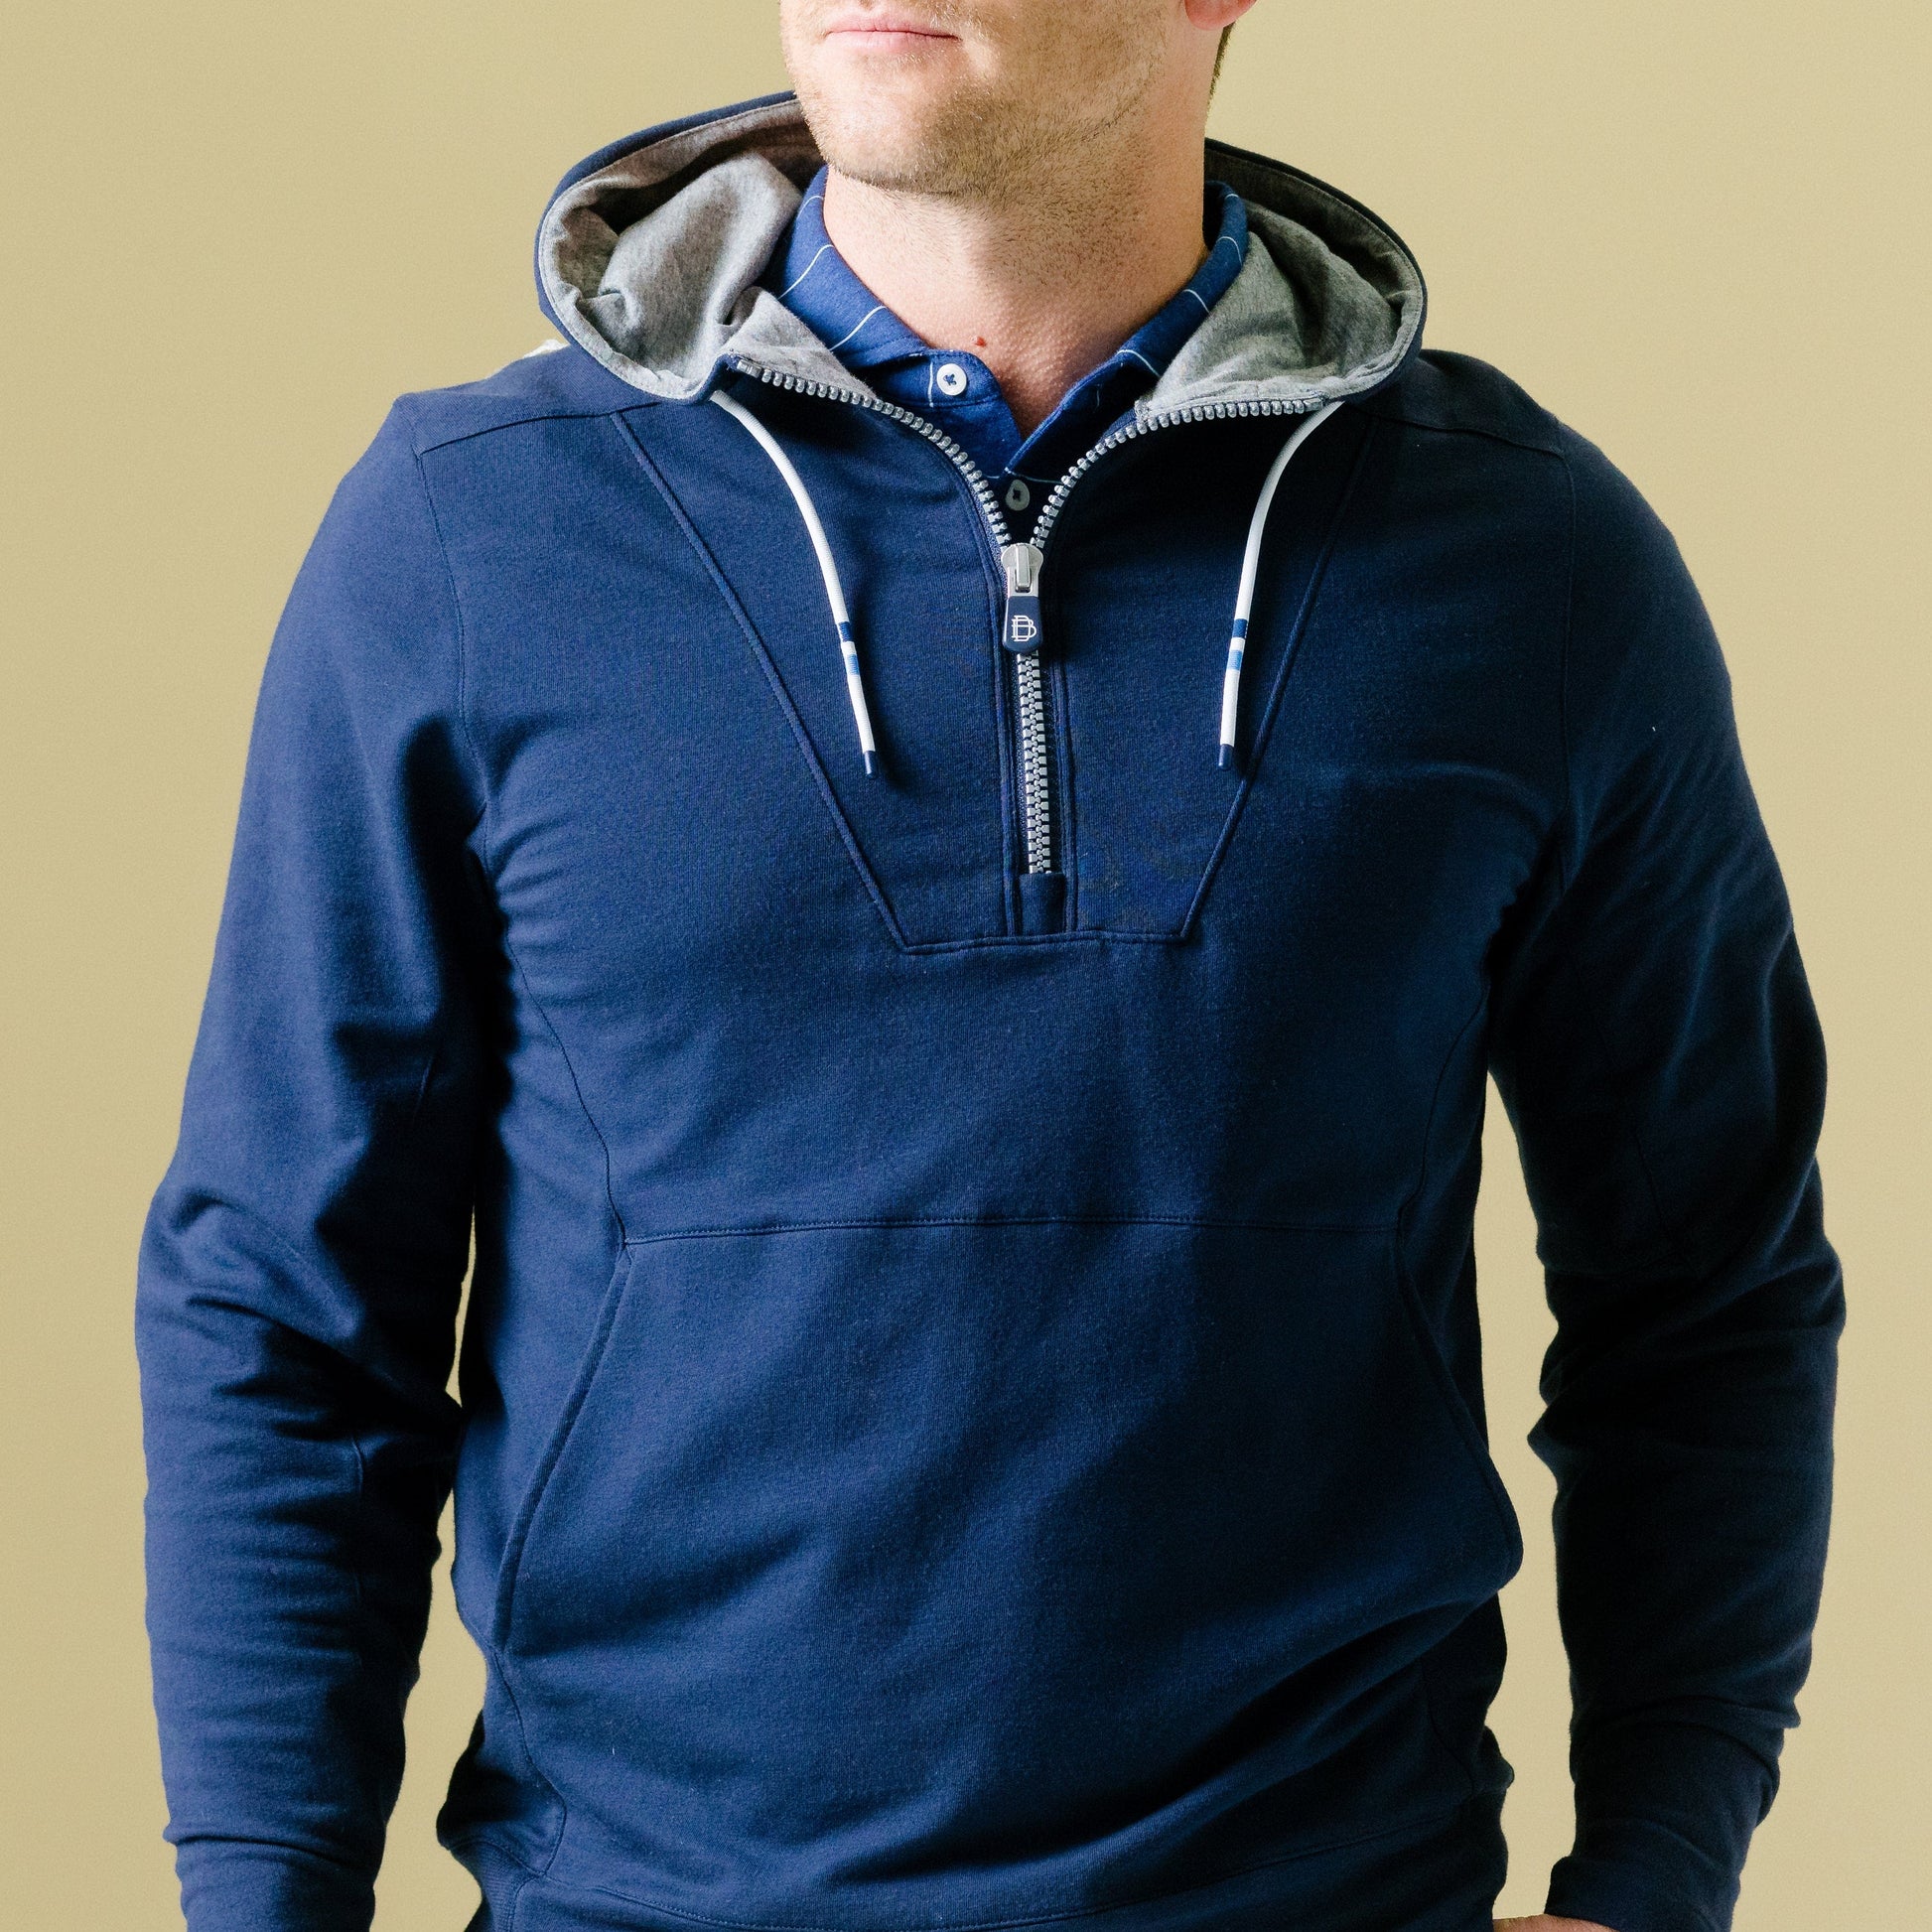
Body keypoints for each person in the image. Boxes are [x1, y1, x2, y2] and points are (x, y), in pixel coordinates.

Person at [135, 3, 1843, 1930]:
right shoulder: (472, 530)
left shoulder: (1527, 562)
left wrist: (1652, 1875)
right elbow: (283, 1301)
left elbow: (1708, 1282)